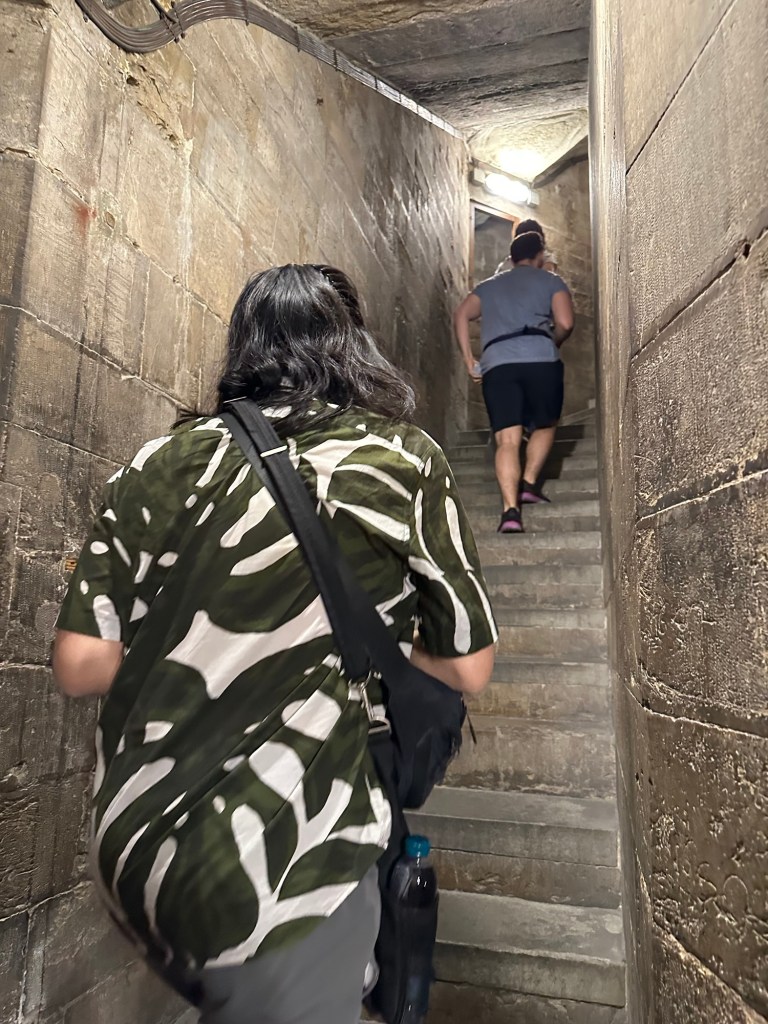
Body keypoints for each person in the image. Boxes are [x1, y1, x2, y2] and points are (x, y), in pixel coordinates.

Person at [53, 264, 496, 1024]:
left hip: (137, 859)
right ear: (351, 346)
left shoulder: (157, 463)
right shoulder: (399, 459)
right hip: (288, 864)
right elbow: (468, 665)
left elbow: (81, 664)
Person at [454, 233, 574, 534]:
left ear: (512, 256)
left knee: (507, 440)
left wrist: (469, 359)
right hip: (540, 358)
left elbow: (461, 314)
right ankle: (529, 483)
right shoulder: (551, 281)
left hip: (498, 364)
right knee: (545, 424)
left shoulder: (489, 286)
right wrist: (552, 341)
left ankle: (510, 511)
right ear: (539, 255)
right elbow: (565, 322)